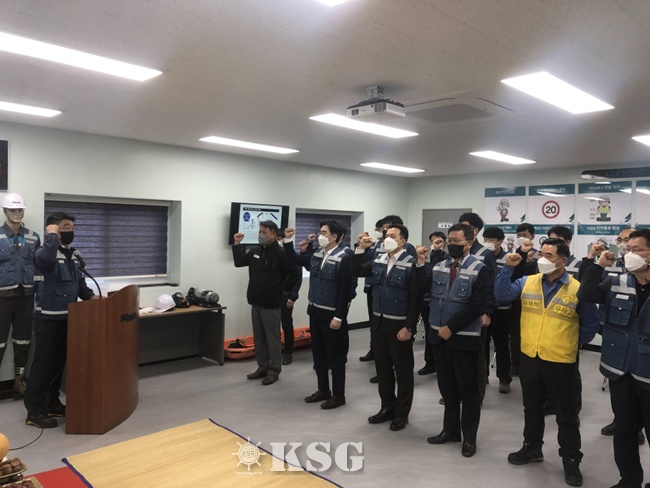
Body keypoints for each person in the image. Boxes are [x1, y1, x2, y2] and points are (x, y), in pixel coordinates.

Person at [495, 238, 599, 487]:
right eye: (541, 253)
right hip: (530, 357)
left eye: (549, 255)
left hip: (561, 360)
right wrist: (507, 268)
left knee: (566, 414)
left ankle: (571, 459)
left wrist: (570, 344)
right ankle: (532, 447)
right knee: (531, 408)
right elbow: (500, 295)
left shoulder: (578, 288)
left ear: (562, 261)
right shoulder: (528, 281)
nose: (542, 259)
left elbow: (591, 324)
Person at [577, 229, 650, 488]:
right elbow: (586, 295)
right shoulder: (618, 280)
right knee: (625, 432)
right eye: (627, 249)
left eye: (636, 250)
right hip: (621, 371)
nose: (629, 254)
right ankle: (629, 481)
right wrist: (598, 266)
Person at [23, 212, 97, 428]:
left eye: (72, 227)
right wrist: (51, 236)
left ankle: (52, 403)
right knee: (43, 366)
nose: (71, 231)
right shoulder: (44, 252)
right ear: (53, 229)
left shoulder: (72, 254)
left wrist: (93, 298)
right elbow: (45, 262)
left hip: (69, 318)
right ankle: (34, 412)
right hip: (48, 318)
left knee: (57, 365)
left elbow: (79, 284)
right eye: (65, 227)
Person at [424, 223, 489, 458]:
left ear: (469, 243)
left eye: (456, 241)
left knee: (469, 392)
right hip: (439, 338)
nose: (451, 245)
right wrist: (421, 263)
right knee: (447, 389)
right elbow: (425, 291)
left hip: (464, 339)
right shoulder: (439, 265)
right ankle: (450, 431)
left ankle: (469, 437)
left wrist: (451, 327)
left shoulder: (480, 268)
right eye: (449, 241)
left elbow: (477, 305)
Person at [352, 224, 423, 431]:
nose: (388, 239)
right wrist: (360, 249)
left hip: (399, 324)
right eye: (386, 236)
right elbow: (356, 270)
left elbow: (417, 298)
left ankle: (402, 413)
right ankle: (387, 407)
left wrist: (409, 327)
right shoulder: (379, 259)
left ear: (403, 241)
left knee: (403, 371)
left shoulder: (411, 263)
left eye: (393, 236)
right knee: (382, 370)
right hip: (378, 322)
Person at [284, 220, 352, 409]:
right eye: (320, 232)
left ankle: (338, 395)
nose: (320, 235)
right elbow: (296, 260)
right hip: (315, 310)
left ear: (334, 237)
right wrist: (288, 241)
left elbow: (344, 290)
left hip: (332, 315)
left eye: (324, 233)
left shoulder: (344, 258)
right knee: (319, 354)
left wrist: (339, 316)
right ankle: (323, 390)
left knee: (335, 357)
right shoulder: (317, 253)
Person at [232, 220, 298, 385]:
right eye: (260, 231)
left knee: (272, 339)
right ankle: (262, 366)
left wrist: (284, 290)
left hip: (272, 303)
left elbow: (295, 273)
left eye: (264, 232)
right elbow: (239, 262)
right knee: (259, 338)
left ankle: (274, 370)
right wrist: (237, 244)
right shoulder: (256, 250)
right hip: (255, 300)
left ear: (274, 235)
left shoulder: (281, 253)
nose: (261, 234)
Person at [0, 193, 40, 399]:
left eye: (20, 210)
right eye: (12, 210)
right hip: (2, 297)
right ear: (5, 211)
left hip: (26, 295)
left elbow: (39, 267)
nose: (17, 213)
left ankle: (19, 379)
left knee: (23, 340)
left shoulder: (33, 237)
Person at [458, 213, 496, 400]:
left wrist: (487, 312)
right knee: (458, 355)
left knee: (477, 355)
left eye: (464, 226)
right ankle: (459, 391)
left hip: (477, 311)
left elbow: (491, 286)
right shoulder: (456, 252)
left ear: (475, 230)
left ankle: (477, 395)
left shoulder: (484, 254)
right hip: (458, 311)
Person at [482, 226, 512, 393]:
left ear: (500, 241)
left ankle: (504, 378)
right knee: (482, 344)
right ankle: (483, 375)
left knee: (501, 344)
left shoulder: (508, 258)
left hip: (502, 308)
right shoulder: (480, 256)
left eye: (491, 240)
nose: (487, 242)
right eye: (485, 239)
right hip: (483, 308)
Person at [509, 223, 537, 376]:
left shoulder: (541, 255)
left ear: (532, 237)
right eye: (519, 235)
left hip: (535, 299)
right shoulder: (514, 255)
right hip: (517, 298)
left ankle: (529, 365)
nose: (521, 237)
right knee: (515, 333)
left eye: (524, 235)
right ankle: (515, 364)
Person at [418, 231, 447, 376]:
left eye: (439, 241)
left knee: (439, 334)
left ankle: (440, 364)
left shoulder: (447, 258)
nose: (436, 243)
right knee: (430, 334)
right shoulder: (424, 258)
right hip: (426, 302)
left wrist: (437, 251)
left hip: (440, 302)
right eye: (433, 241)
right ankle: (430, 363)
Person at [359, 218, 386, 363]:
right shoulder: (375, 246)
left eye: (381, 229)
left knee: (385, 325)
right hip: (372, 288)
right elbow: (364, 263)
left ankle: (384, 353)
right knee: (374, 323)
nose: (378, 232)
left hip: (386, 291)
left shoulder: (405, 248)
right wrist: (362, 246)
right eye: (378, 229)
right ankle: (374, 349)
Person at [275, 232, 303, 366]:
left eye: (280, 239)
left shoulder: (292, 256)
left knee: (286, 324)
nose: (279, 241)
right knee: (273, 325)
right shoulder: (274, 255)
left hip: (287, 297)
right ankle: (275, 350)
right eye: (277, 239)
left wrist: (292, 297)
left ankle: (288, 352)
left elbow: (298, 279)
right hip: (273, 296)